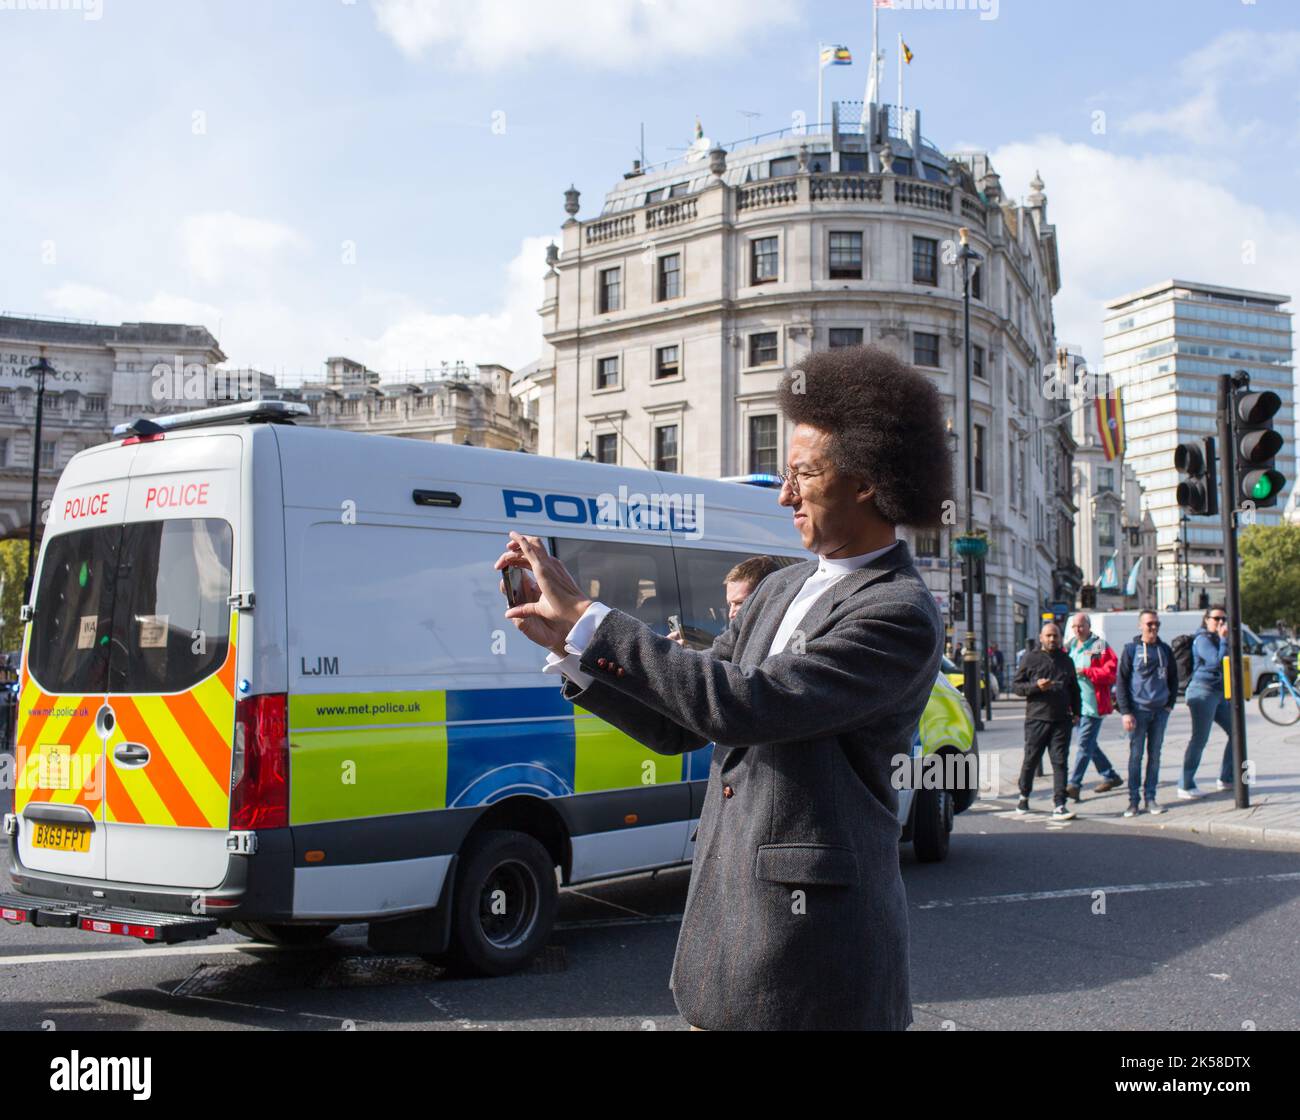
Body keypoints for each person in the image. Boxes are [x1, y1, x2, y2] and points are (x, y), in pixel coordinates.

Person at [497, 344, 950, 1031]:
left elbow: (744, 705)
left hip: (815, 955)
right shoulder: (780, 585)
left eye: (804, 474)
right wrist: (570, 647)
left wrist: (593, 617)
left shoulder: (897, 611)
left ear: (865, 481)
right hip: (727, 935)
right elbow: (687, 721)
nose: (785, 494)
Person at [1012, 621, 1082, 819]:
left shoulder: (1066, 660)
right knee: (1031, 759)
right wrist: (1036, 686)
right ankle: (1024, 796)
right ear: (1041, 637)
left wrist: (1077, 712)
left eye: (1056, 636)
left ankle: (1060, 804)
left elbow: (1074, 689)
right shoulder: (1030, 658)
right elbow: (1017, 686)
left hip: (1062, 719)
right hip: (1037, 718)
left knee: (1060, 762)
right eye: (1049, 636)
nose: (1052, 639)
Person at [1115, 609, 1179, 817]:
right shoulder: (1131, 650)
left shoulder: (1165, 650)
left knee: (1155, 756)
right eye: (1149, 624)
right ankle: (1133, 801)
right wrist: (1125, 712)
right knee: (1136, 756)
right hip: (1138, 711)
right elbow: (1121, 682)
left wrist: (1169, 705)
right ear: (1140, 625)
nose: (1153, 627)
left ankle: (1150, 797)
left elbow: (1174, 679)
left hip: (1160, 711)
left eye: (1156, 624)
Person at [1179, 605, 1235, 798]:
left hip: (1219, 692)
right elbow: (1215, 662)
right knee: (1199, 739)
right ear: (1206, 620)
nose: (1220, 622)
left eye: (1223, 619)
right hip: (1202, 692)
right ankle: (1185, 784)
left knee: (1236, 731)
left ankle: (1226, 777)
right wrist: (1224, 639)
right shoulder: (1202, 639)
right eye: (1216, 619)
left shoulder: (1217, 639)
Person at [1064, 613, 1122, 800]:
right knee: (1089, 744)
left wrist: (1087, 672)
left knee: (1083, 744)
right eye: (1075, 626)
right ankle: (1110, 775)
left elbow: (1110, 672)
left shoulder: (1097, 645)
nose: (1078, 629)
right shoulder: (1072, 646)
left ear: (1089, 626)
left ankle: (1074, 784)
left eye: (1081, 626)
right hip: (1076, 705)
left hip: (1093, 704)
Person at [667, 556, 782, 646]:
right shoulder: (732, 642)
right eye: (729, 604)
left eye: (739, 603)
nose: (731, 614)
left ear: (766, 600)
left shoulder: (782, 644)